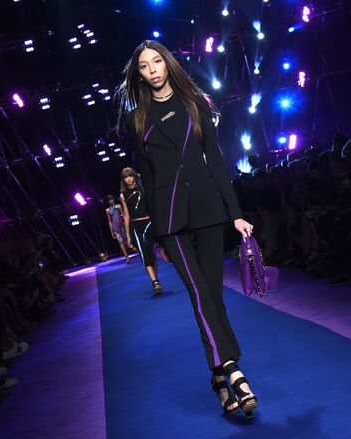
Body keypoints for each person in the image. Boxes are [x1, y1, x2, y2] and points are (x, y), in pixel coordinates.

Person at [117, 40, 257, 419]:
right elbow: (147, 177)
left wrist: (235, 214)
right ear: (138, 75)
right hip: (169, 218)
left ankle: (217, 379)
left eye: (157, 62)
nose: (152, 70)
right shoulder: (136, 119)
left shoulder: (194, 102)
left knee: (213, 296)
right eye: (144, 66)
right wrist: (156, 234)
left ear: (168, 64)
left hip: (208, 207)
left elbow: (215, 159)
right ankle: (232, 368)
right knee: (197, 291)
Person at [119, 167, 163, 295]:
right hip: (135, 227)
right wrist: (128, 236)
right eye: (125, 177)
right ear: (123, 180)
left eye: (130, 176)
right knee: (144, 254)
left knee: (151, 254)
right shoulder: (123, 195)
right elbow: (126, 215)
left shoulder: (143, 189)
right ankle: (155, 282)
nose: (128, 179)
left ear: (134, 176)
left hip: (149, 223)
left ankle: (155, 278)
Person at [105, 194, 130, 263]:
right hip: (115, 227)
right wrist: (111, 231)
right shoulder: (107, 210)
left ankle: (126, 253)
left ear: (113, 199)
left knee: (125, 242)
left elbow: (123, 215)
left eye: (111, 199)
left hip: (122, 225)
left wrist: (126, 224)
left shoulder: (118, 206)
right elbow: (109, 221)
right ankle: (126, 257)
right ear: (108, 201)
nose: (111, 201)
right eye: (109, 200)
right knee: (120, 242)